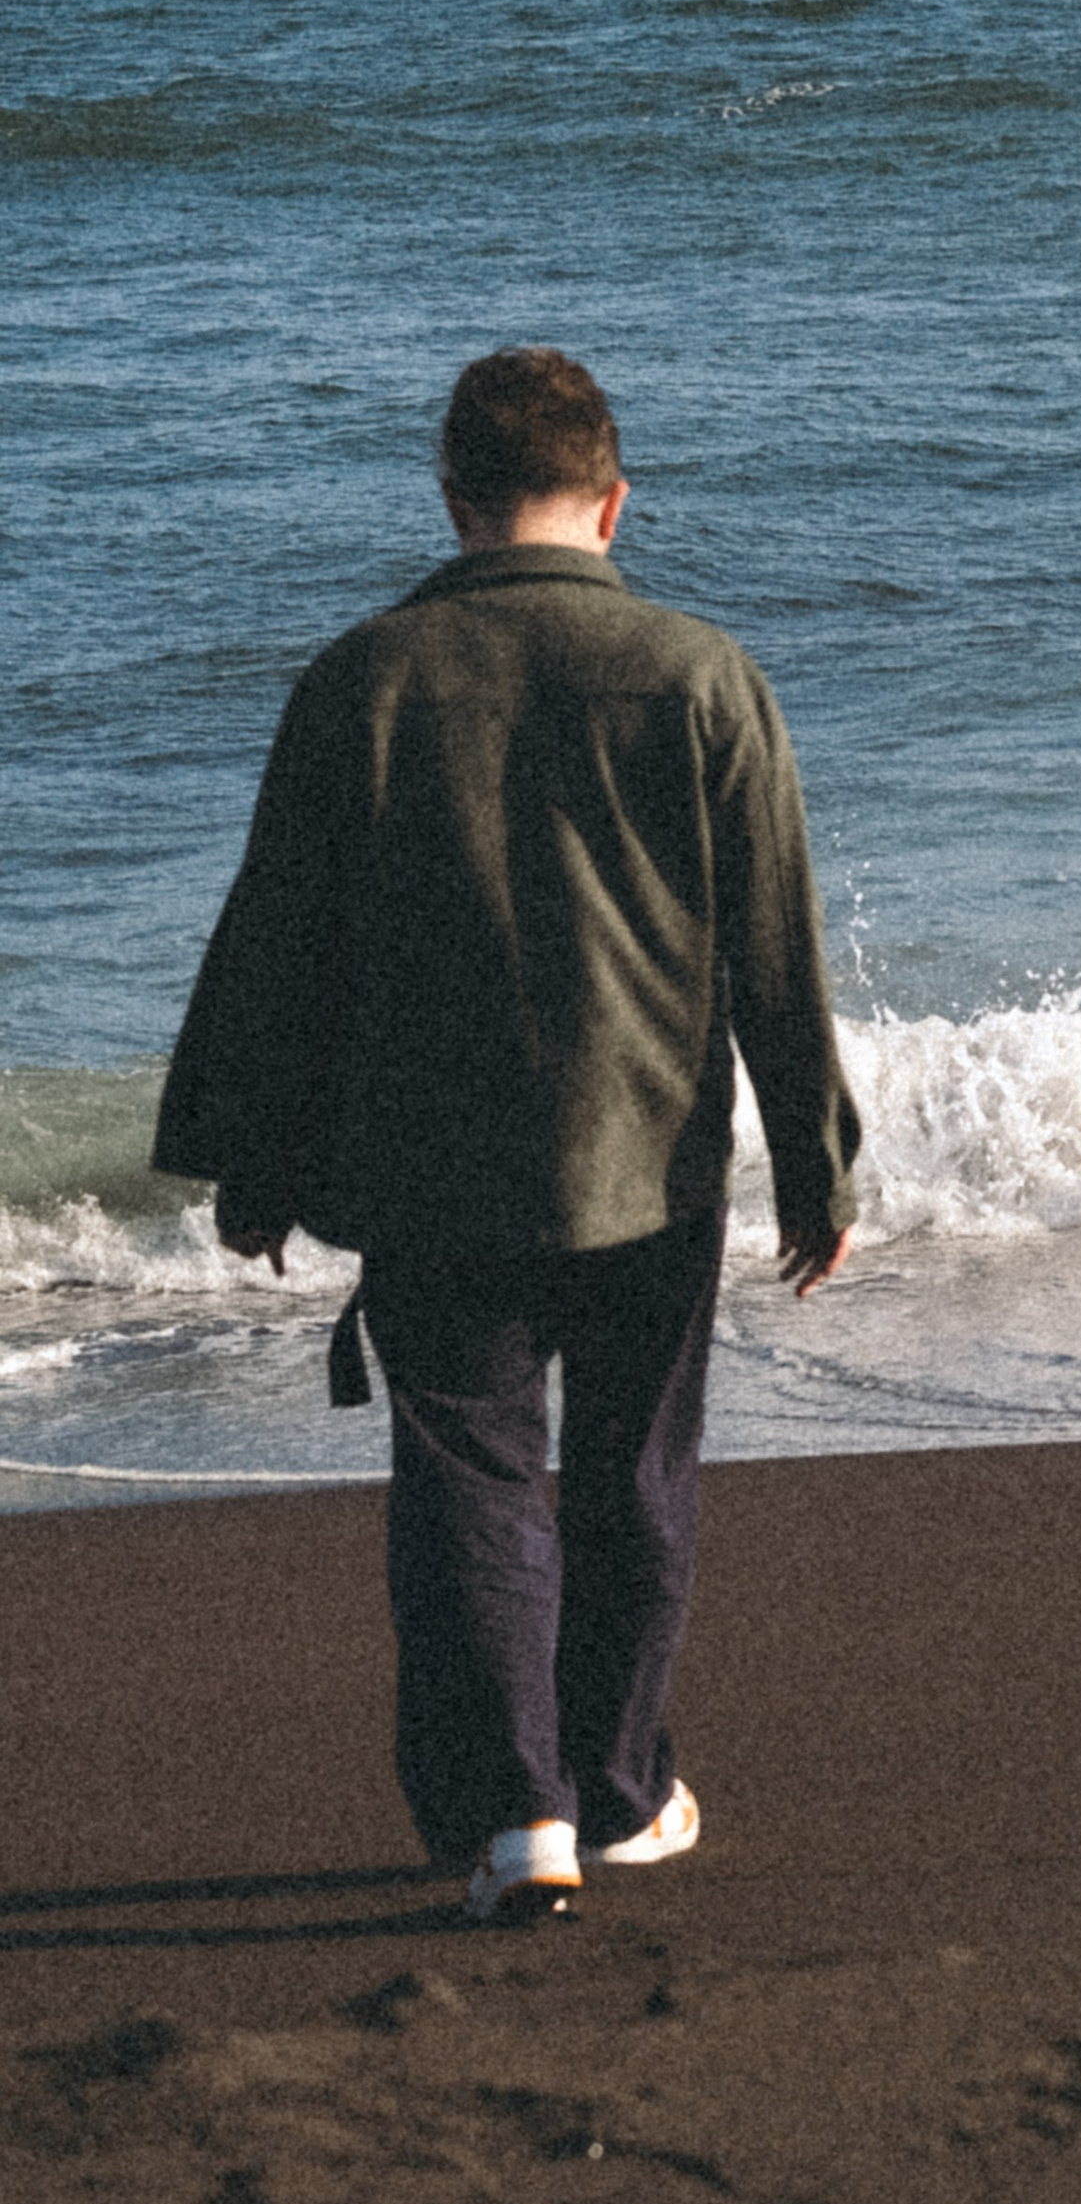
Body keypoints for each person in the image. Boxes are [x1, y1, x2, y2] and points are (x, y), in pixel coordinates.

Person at [153, 348, 861, 1924]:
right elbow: (775, 948)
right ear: (614, 502)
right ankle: (615, 1793)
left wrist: (253, 1163)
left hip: (432, 1173)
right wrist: (816, 1161)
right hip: (648, 1160)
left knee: (473, 1484)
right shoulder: (700, 674)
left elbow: (281, 947)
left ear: (453, 498)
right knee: (632, 1479)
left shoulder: (363, 679)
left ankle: (512, 1823)